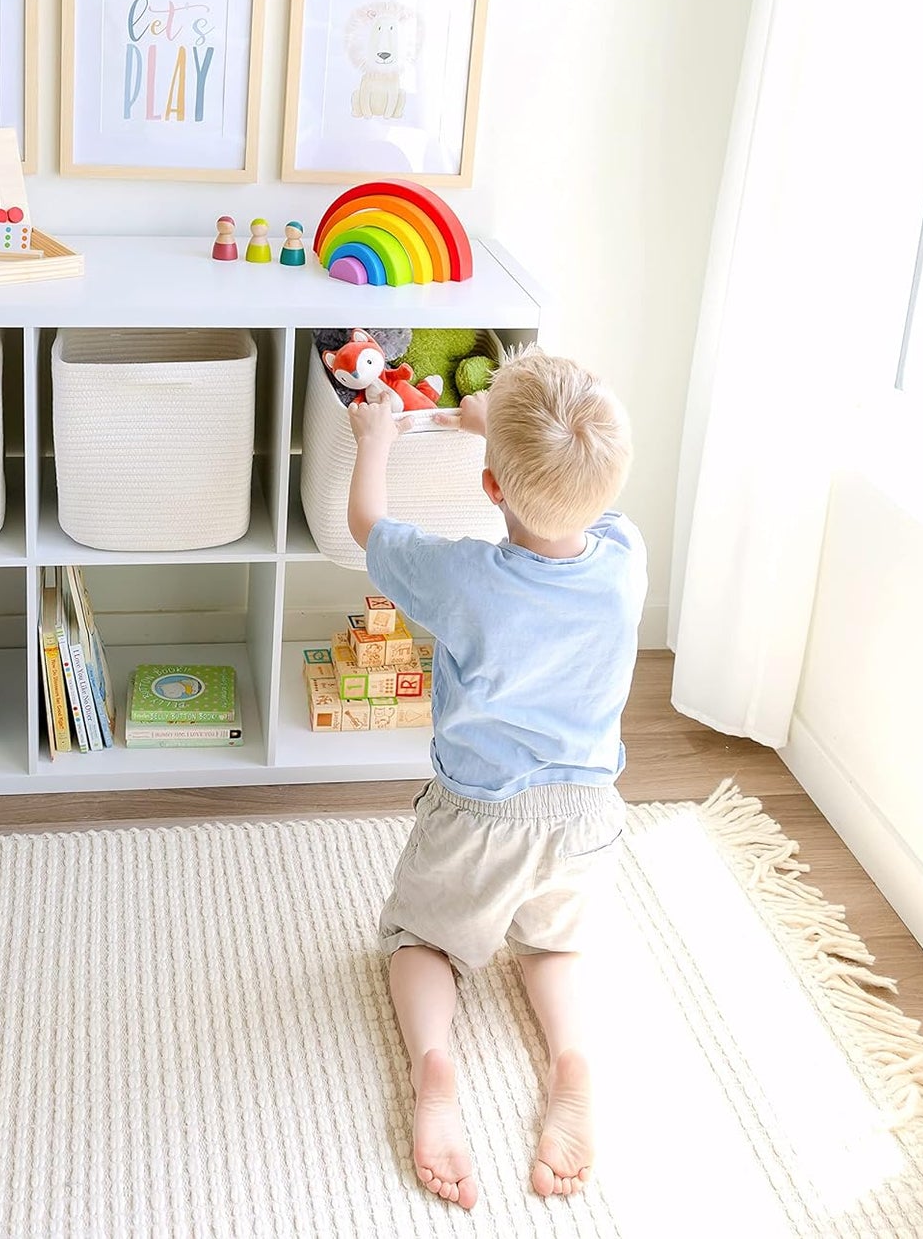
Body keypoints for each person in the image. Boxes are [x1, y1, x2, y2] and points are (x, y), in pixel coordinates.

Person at [346, 346, 647, 1209]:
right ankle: (568, 1059)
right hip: (588, 816)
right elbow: (586, 502)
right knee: (549, 942)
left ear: (489, 489)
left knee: (420, 940)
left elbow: (369, 524)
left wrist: (375, 436)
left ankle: (435, 1068)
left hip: (479, 816)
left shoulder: (465, 580)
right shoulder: (624, 558)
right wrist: (511, 445)